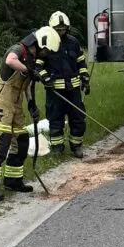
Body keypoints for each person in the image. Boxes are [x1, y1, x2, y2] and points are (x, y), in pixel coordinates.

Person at [0, 26, 61, 201]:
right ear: (40, 44)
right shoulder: (18, 50)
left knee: (21, 141)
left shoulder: (32, 59)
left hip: (16, 104)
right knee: (0, 141)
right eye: (46, 51)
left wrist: (32, 104)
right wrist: (29, 71)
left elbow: (28, 86)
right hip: (2, 99)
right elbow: (10, 61)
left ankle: (13, 180)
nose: (45, 55)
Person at [35, 11, 90, 158]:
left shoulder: (73, 42)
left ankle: (76, 146)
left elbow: (81, 62)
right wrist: (46, 79)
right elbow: (38, 66)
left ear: (68, 28)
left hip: (73, 90)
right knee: (55, 120)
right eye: (58, 29)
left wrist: (85, 78)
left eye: (63, 29)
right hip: (55, 92)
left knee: (78, 119)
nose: (61, 32)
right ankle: (57, 148)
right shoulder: (46, 43)